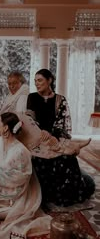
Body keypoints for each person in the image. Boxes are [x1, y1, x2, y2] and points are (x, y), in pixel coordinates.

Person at [26, 68, 95, 208]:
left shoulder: (60, 100)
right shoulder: (32, 97)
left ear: (49, 80)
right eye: (35, 81)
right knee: (39, 160)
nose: (37, 84)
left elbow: (61, 123)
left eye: (40, 80)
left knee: (68, 159)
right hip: (37, 138)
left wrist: (51, 134)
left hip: (53, 137)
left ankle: (64, 194)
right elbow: (30, 119)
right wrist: (41, 132)